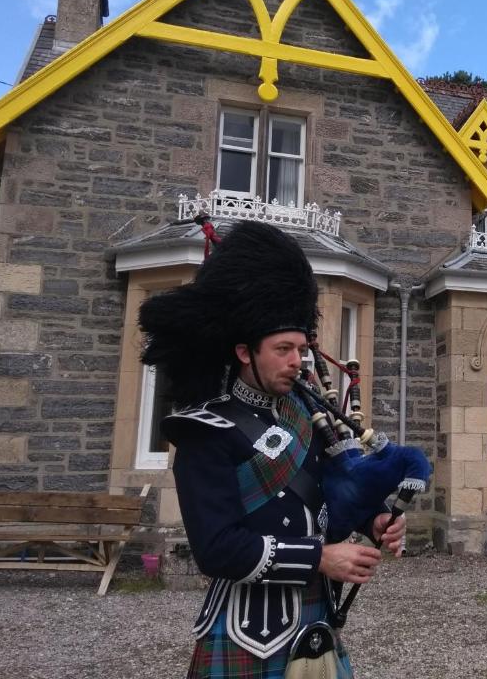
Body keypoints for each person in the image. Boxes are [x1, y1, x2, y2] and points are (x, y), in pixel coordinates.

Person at [139, 220, 404, 679]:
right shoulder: (206, 431)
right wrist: (320, 557)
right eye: (282, 348)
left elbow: (330, 489)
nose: (296, 362)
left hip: (315, 619)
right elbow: (217, 550)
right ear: (245, 352)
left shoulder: (307, 415)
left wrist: (373, 519)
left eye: (301, 348)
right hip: (244, 630)